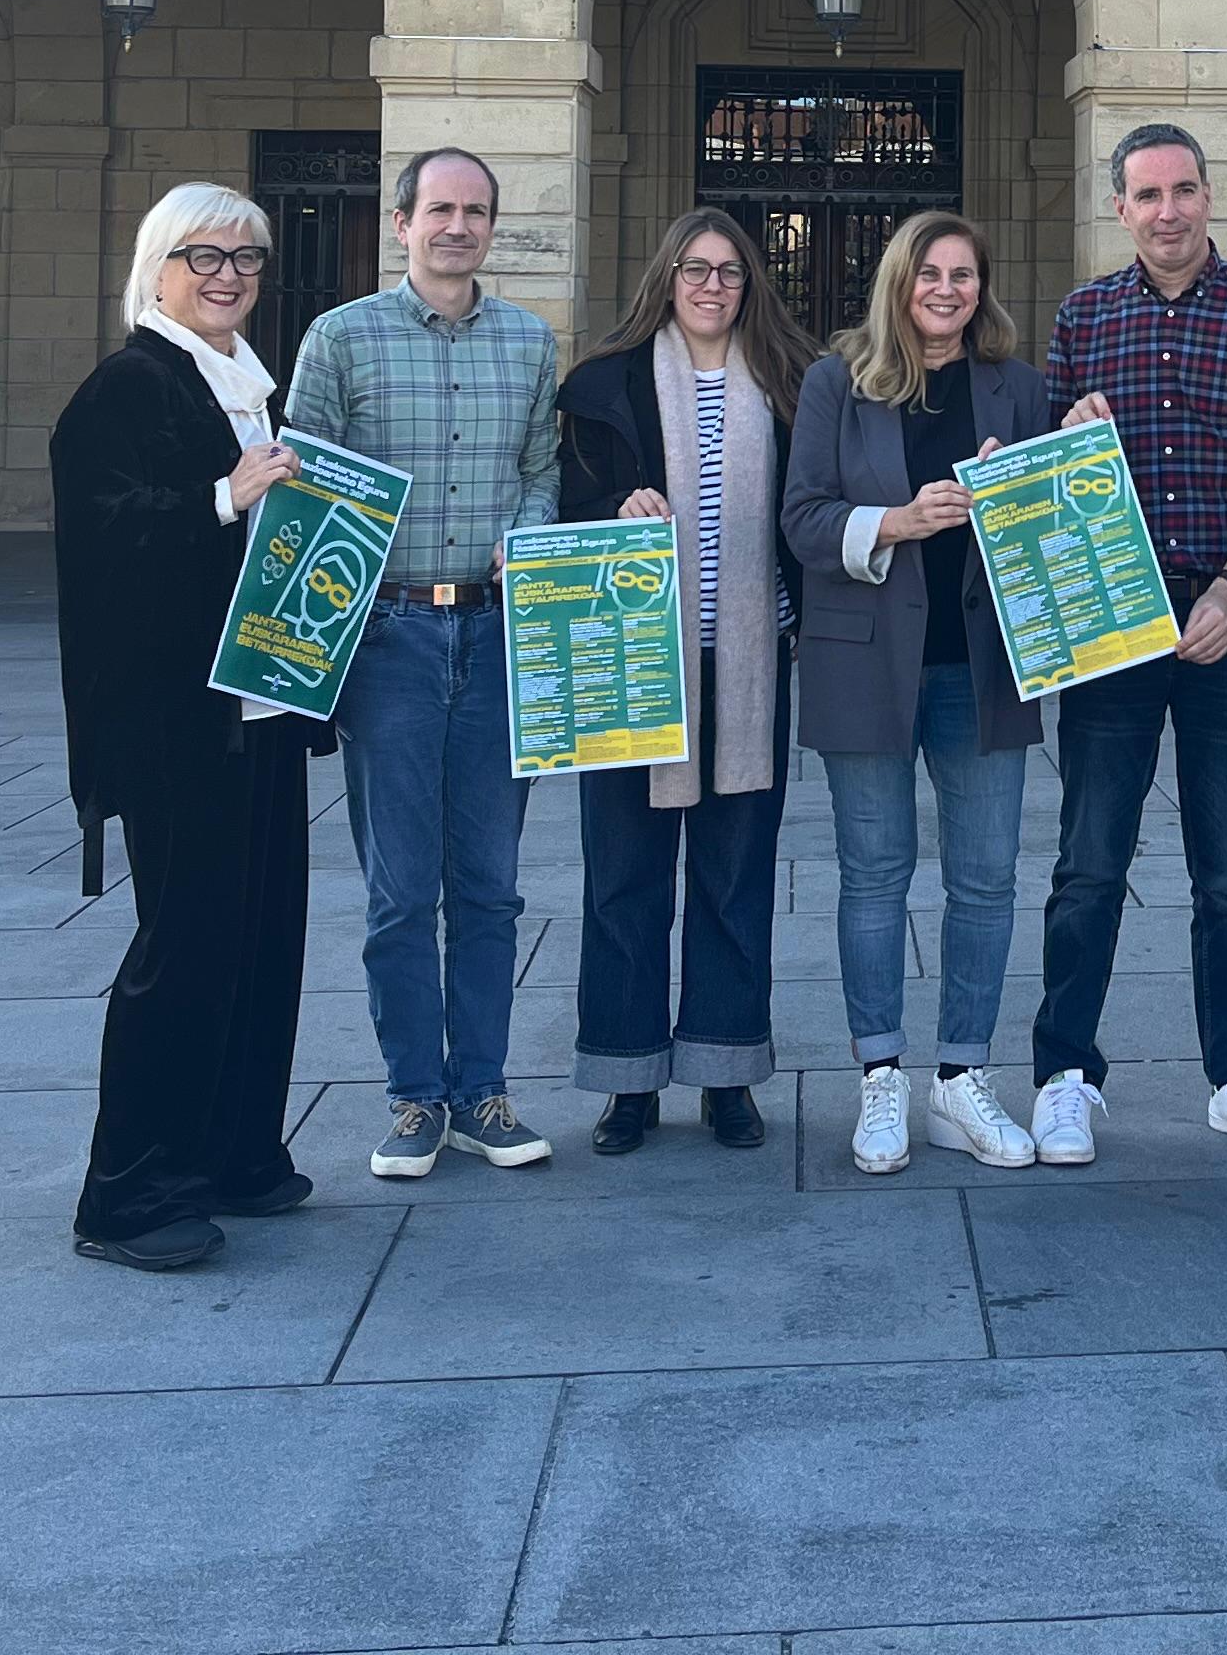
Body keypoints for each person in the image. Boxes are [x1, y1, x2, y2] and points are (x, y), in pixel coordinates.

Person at [1030, 123, 1227, 1162]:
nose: (1168, 211)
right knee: (1089, 861)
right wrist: (1066, 440)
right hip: (1111, 624)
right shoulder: (1083, 316)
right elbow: (1045, 477)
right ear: (1120, 207)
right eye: (1148, 194)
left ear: (1209, 195)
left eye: (1184, 190)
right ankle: (1065, 1075)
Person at [50, 184, 326, 1270]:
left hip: (258, 706)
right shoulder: (130, 383)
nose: (228, 276)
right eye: (204, 256)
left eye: (247, 259)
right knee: (184, 947)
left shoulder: (245, 381)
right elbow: (101, 538)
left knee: (261, 938)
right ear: (158, 265)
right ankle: (128, 1195)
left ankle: (233, 1153)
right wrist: (223, 496)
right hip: (176, 720)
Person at [286, 145, 561, 1177]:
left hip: (496, 634)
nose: (458, 227)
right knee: (401, 891)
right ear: (400, 222)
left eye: (475, 211)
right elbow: (304, 478)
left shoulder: (530, 341)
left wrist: (528, 532)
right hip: (387, 638)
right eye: (439, 209)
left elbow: (541, 469)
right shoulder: (340, 338)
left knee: (490, 888)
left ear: (491, 226)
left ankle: (483, 1092)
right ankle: (414, 1096)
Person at [782, 208, 1055, 1174]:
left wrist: (1049, 471)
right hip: (865, 660)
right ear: (899, 280)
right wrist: (897, 521)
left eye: (963, 275)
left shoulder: (1019, 386)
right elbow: (803, 520)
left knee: (986, 878)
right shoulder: (837, 379)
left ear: (982, 288)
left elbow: (1054, 515)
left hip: (983, 665)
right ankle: (882, 1075)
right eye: (930, 273)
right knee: (874, 875)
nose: (947, 290)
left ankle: (962, 1077)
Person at [555, 208, 811, 1156]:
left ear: (751, 285)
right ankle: (626, 1080)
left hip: (748, 664)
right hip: (632, 662)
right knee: (623, 878)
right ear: (666, 278)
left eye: (731, 271)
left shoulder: (789, 381)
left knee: (734, 874)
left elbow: (813, 508)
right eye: (696, 269)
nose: (712, 286)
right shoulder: (603, 383)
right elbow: (561, 505)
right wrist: (610, 509)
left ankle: (725, 1070)